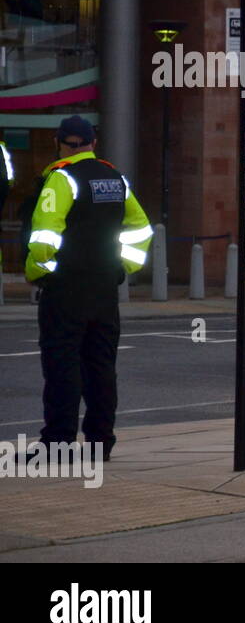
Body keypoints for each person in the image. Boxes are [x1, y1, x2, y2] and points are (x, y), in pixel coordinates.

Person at [25, 115, 152, 462]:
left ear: (60, 142)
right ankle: (100, 442)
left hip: (66, 290)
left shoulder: (62, 178)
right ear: (94, 143)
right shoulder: (115, 178)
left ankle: (58, 442)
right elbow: (141, 228)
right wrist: (124, 267)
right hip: (104, 290)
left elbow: (44, 236)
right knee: (100, 366)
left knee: (62, 365)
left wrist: (40, 272)